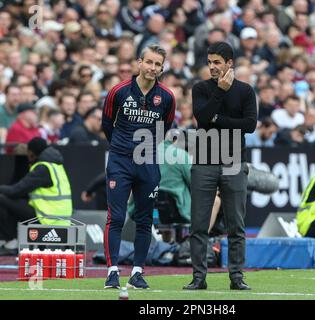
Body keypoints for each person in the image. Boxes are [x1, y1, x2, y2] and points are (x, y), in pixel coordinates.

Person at [184, 41, 257, 291]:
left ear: (229, 63)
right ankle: (198, 278)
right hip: (204, 163)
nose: (212, 67)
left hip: (234, 163)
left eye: (217, 62)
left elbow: (249, 126)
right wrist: (220, 92)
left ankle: (237, 277)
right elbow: (204, 120)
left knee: (236, 225)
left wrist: (219, 119)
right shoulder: (201, 88)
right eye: (210, 62)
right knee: (198, 224)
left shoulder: (246, 91)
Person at [101, 44, 175, 289]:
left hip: (148, 163)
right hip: (120, 162)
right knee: (117, 216)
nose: (153, 68)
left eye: (158, 65)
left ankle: (137, 272)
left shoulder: (166, 97)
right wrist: (123, 148)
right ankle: (112, 272)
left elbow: (165, 127)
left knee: (144, 220)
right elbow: (107, 124)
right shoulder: (119, 91)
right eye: (149, 62)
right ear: (139, 62)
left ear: (161, 68)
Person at [0, 137, 73, 256]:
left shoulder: (42, 168)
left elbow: (16, 190)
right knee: (12, 202)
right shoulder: (55, 165)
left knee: (2, 199)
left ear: (32, 152)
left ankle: (11, 243)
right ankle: (12, 241)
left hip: (48, 217)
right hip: (60, 217)